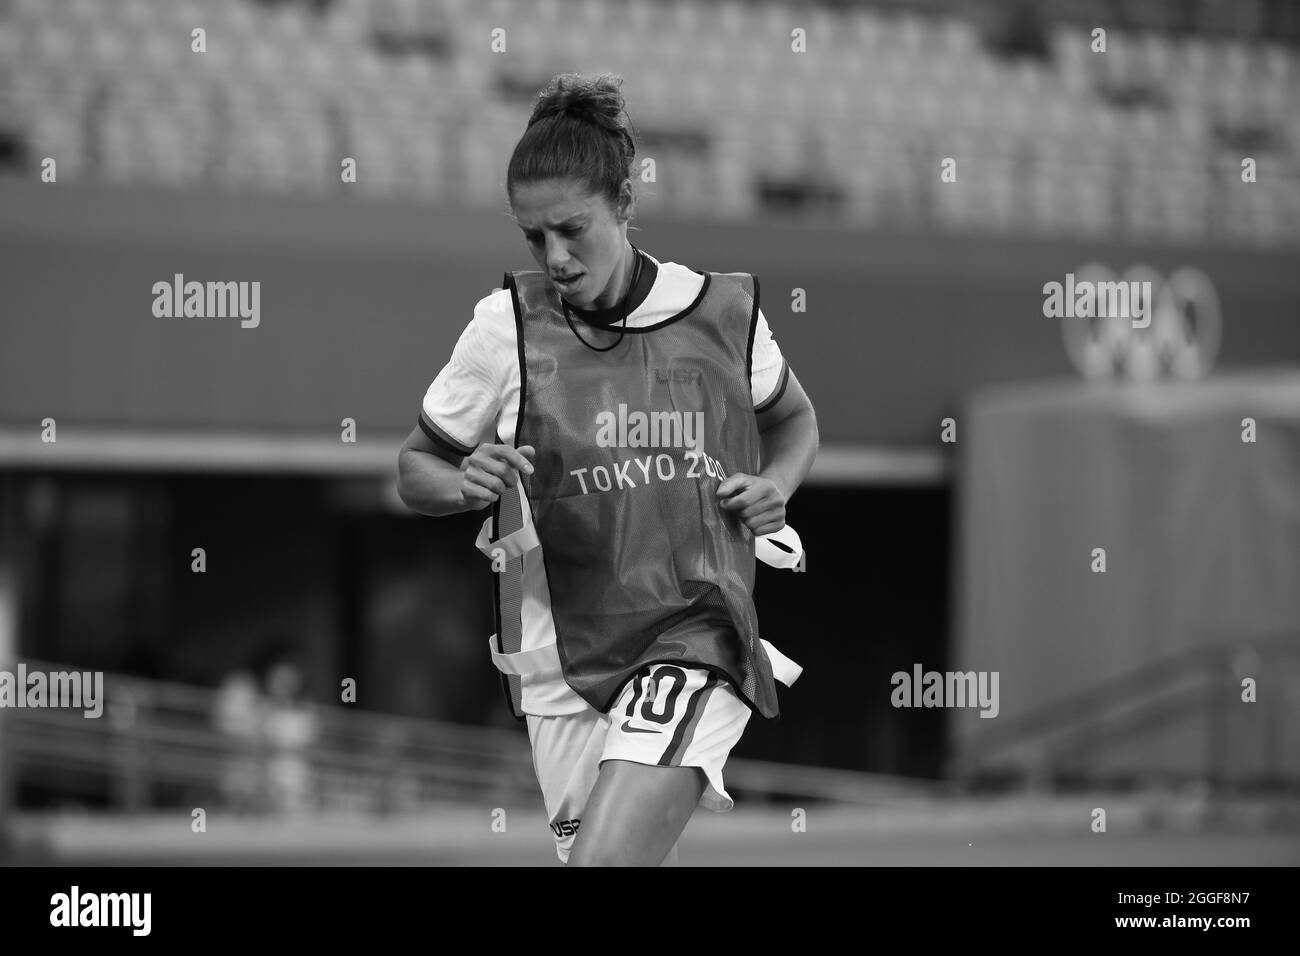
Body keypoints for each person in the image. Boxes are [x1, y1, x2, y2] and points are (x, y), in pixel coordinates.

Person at [397, 72, 819, 866]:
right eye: (532, 237)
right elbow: (415, 467)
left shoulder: (722, 312)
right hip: (562, 668)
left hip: (695, 630)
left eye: (571, 229)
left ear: (625, 202)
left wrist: (777, 488)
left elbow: (796, 419)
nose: (553, 256)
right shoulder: (504, 329)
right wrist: (463, 485)